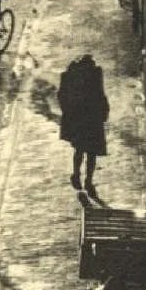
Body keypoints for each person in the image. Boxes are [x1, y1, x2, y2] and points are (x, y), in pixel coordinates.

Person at [57, 54, 109, 196]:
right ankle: (84, 178)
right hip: (88, 118)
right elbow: (101, 95)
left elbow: (100, 94)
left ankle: (83, 178)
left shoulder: (76, 76)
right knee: (87, 152)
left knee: (83, 151)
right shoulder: (88, 76)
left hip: (85, 118)